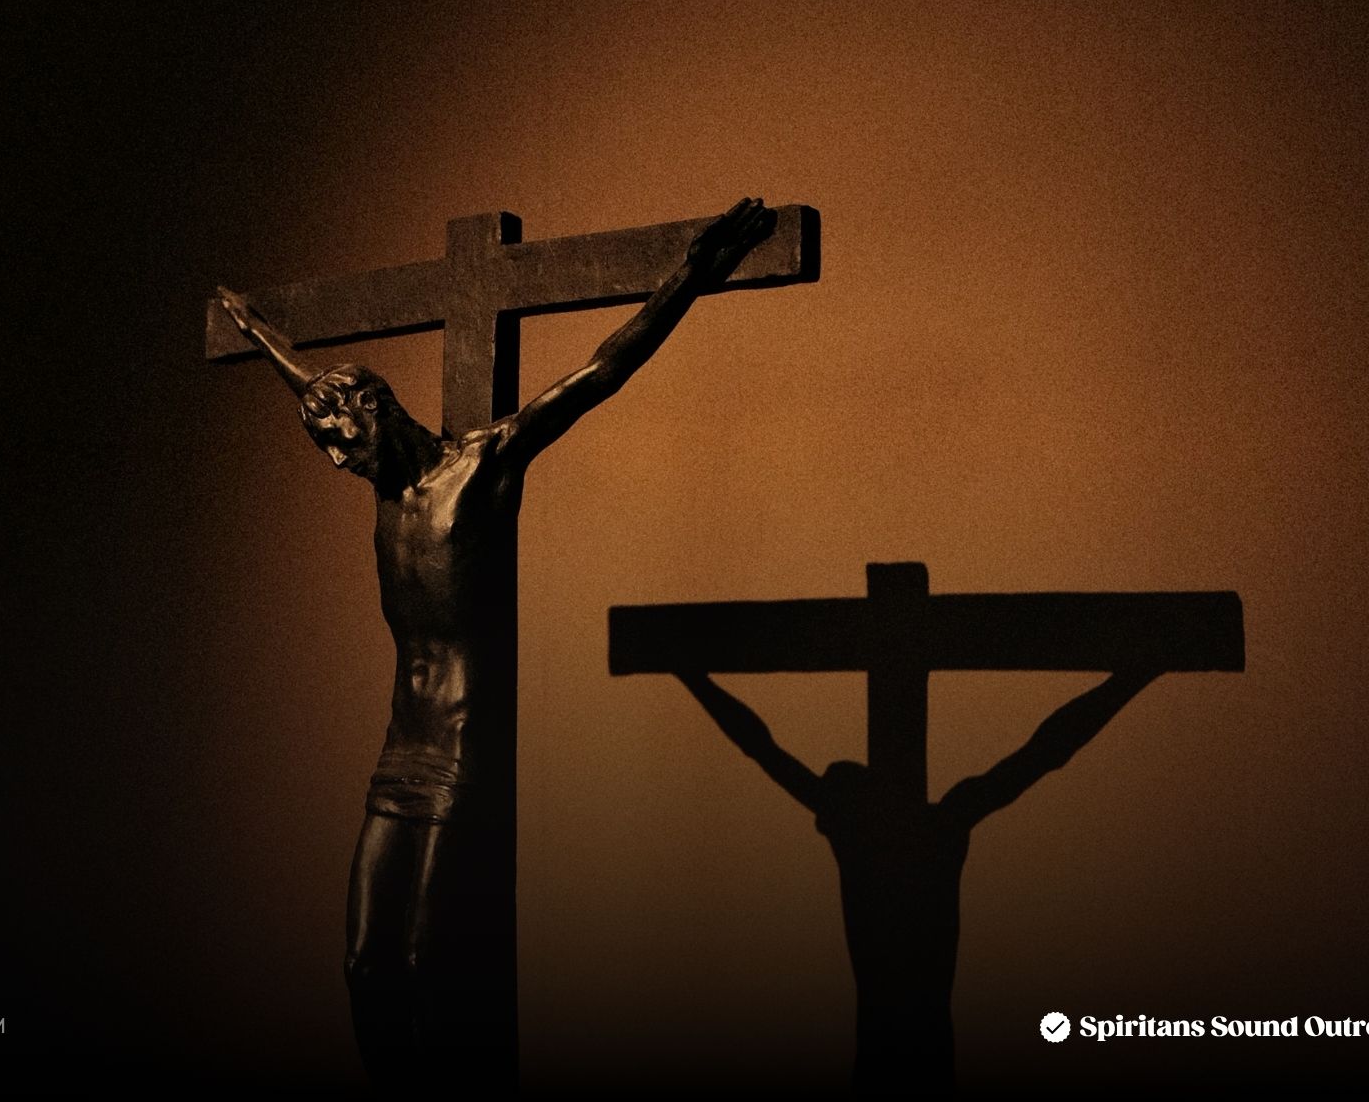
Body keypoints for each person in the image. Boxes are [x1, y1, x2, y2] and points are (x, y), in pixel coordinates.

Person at [216, 198, 778, 1084]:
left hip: (459, 754)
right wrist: (259, 334)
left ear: (375, 408)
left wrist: (690, 276)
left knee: (422, 965)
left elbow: (601, 372)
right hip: (398, 755)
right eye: (324, 448)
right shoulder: (383, 490)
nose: (337, 460)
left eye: (342, 440)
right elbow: (308, 381)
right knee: (364, 966)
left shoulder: (482, 466)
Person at [674, 667, 1162, 1091]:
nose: (823, 818)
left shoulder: (866, 841)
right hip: (921, 1058)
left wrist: (693, 679)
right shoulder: (940, 828)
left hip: (888, 1060)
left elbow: (763, 750)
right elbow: (1044, 753)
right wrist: (1131, 680)